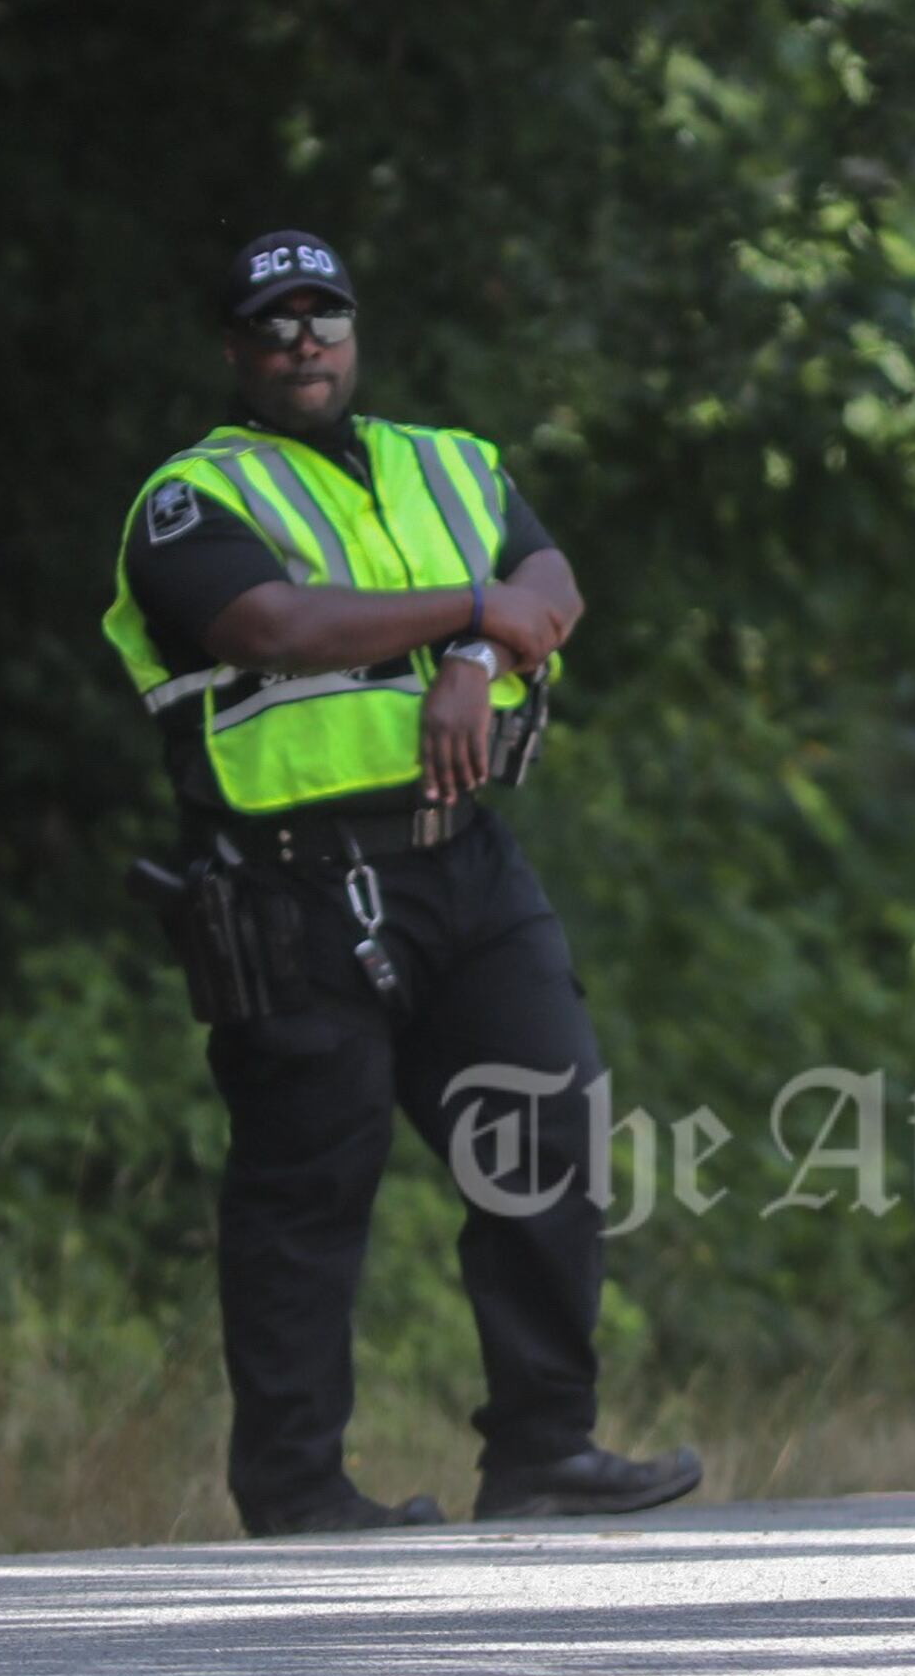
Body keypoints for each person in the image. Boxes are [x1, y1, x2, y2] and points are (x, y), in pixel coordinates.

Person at [100, 229, 700, 1536]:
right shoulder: (188, 498)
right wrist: (472, 616)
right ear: (235, 348)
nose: (306, 336)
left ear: (355, 331)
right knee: (310, 1188)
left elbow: (553, 584)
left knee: (547, 1128)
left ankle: (544, 1452)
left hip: (461, 860)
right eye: (277, 318)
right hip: (289, 886)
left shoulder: (454, 461)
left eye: (326, 313)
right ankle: (298, 1489)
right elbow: (276, 626)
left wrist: (482, 655)